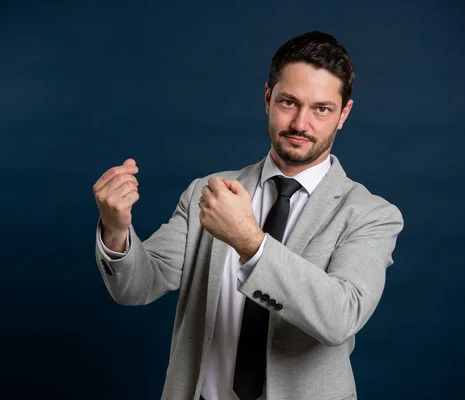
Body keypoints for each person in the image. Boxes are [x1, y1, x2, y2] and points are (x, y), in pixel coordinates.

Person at [92, 31, 404, 400]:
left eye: (322, 109)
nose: (301, 124)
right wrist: (116, 230)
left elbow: (341, 318)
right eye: (289, 102)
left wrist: (249, 242)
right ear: (268, 97)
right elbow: (138, 286)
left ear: (343, 114)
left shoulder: (371, 214)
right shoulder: (208, 192)